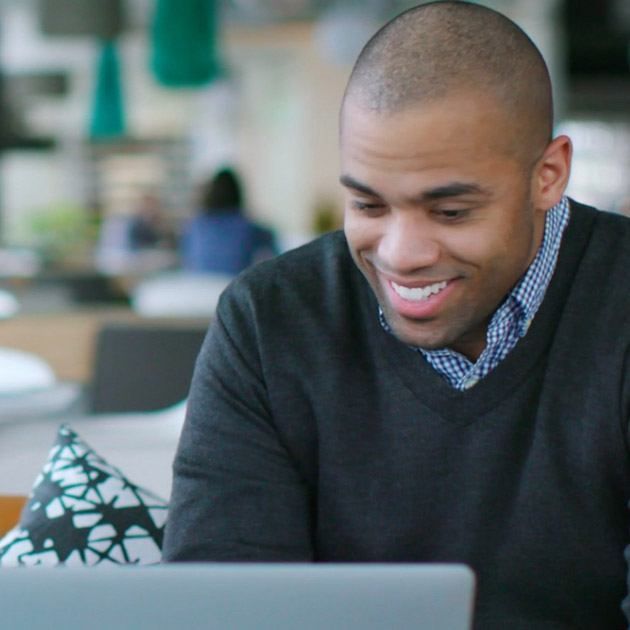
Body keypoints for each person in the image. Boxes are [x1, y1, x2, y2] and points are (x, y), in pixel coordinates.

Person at [163, 2, 630, 628]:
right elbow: (223, 607)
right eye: (368, 204)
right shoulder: (269, 320)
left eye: (452, 211)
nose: (401, 256)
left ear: (548, 175)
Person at [179, 168, 278, 275]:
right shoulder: (249, 227)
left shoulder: (195, 224)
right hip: (232, 284)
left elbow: (187, 258)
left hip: (199, 285)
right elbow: (277, 257)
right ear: (238, 193)